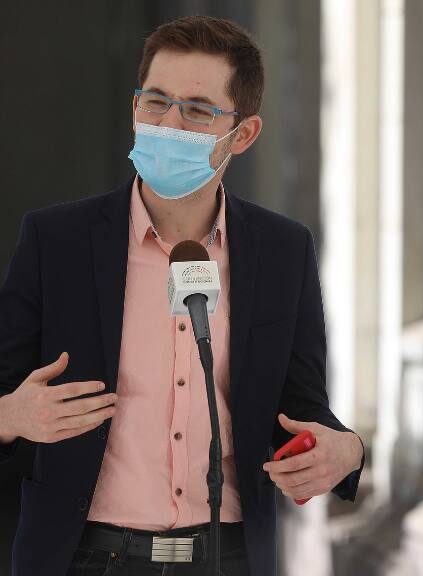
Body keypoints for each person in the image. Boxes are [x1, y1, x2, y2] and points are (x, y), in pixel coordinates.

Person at [0, 16, 364, 576]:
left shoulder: (283, 250)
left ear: (242, 135)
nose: (168, 123)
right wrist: (9, 416)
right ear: (135, 108)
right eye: (156, 102)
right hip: (85, 557)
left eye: (197, 110)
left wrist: (347, 450)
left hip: (227, 558)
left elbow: (300, 408)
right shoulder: (56, 241)